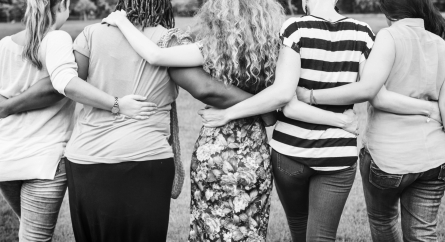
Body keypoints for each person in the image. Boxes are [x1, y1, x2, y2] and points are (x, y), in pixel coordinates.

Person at [197, 0, 443, 241]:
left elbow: (287, 101)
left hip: (289, 152)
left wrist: (228, 113)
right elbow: (372, 91)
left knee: (298, 228)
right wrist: (341, 121)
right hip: (338, 155)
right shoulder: (364, 33)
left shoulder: (294, 29)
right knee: (322, 237)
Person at [102, 0, 308, 240]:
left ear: (217, 16)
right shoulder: (273, 51)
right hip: (254, 151)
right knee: (250, 227)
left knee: (209, 227)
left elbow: (155, 55)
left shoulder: (212, 48)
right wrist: (259, 108)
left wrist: (121, 21)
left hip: (215, 147)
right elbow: (273, 114)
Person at [0, 0, 153, 241]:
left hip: (6, 158)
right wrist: (117, 104)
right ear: (62, 5)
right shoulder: (57, 39)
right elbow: (65, 83)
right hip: (44, 159)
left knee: (27, 231)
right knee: (33, 236)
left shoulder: (4, 45)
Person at [293, 0, 445, 240]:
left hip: (388, 159)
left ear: (388, 11)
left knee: (383, 220)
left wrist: (310, 95)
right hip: (434, 160)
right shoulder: (440, 44)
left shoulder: (389, 37)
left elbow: (374, 94)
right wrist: (429, 109)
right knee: (423, 234)